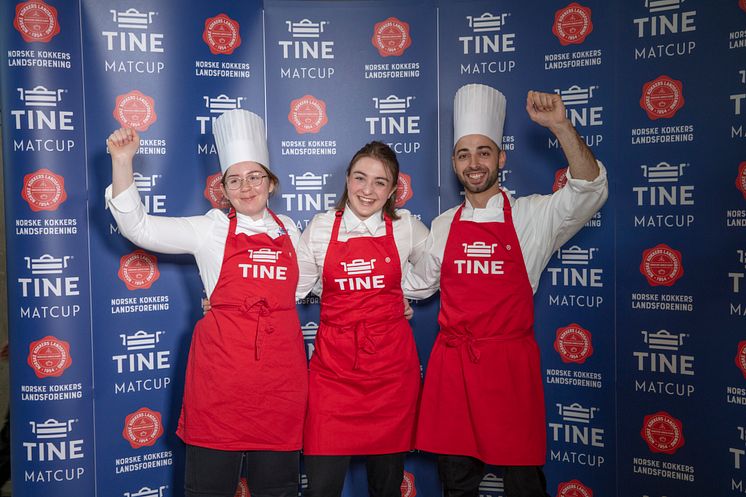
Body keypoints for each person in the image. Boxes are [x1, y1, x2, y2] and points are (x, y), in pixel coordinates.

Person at [407, 84, 608, 497]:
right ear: (454, 163)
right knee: (457, 485)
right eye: (464, 154)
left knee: (524, 485)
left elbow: (590, 190)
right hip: (455, 369)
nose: (474, 163)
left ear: (500, 157)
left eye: (484, 152)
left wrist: (561, 126)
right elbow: (418, 284)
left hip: (509, 369)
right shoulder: (444, 224)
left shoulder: (534, 215)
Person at [106, 109, 307, 497]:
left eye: (255, 177)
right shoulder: (211, 229)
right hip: (221, 382)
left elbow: (308, 285)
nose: (246, 188)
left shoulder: (291, 232)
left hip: (280, 382)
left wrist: (393, 301)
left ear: (271, 183)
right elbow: (139, 227)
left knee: (278, 488)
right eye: (236, 180)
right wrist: (123, 161)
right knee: (209, 488)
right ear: (225, 188)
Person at [295, 141, 430, 497]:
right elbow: (294, 284)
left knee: (386, 488)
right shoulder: (322, 228)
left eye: (380, 182)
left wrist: (403, 294)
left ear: (392, 191)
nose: (367, 190)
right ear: (347, 180)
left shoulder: (407, 229)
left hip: (390, 377)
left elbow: (439, 270)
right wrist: (232, 299)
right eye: (360, 178)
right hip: (333, 375)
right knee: (321, 487)